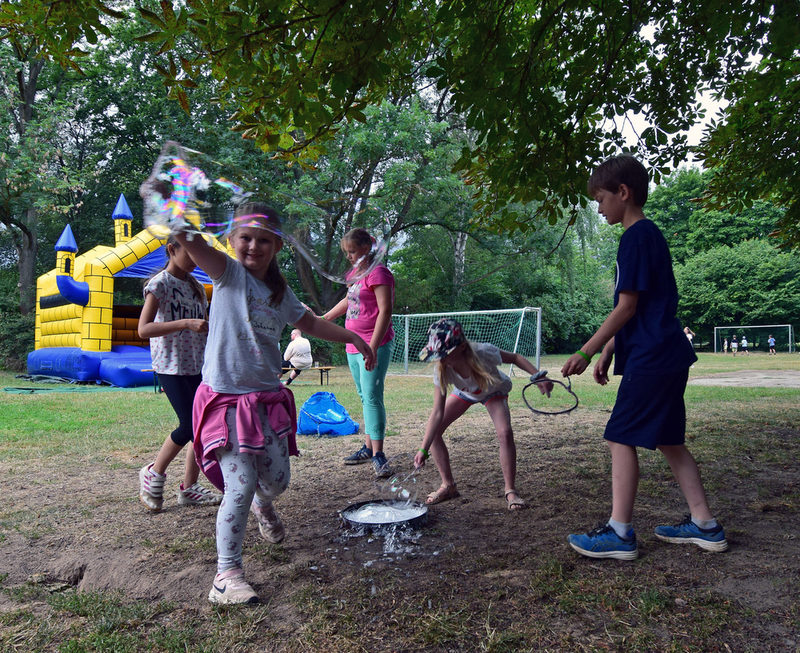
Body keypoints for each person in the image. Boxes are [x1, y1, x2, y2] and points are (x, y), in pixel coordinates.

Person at [174, 202, 376, 605]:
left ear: (277, 245)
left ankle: (264, 507)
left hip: (265, 403)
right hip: (225, 404)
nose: (253, 246)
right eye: (245, 237)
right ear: (231, 241)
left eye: (263, 239)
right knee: (241, 484)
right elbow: (190, 239)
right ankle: (226, 574)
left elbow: (313, 323)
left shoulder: (279, 294)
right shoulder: (227, 274)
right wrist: (173, 205)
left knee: (276, 482)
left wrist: (353, 337)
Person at [560, 154, 727, 560]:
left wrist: (589, 349)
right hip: (668, 354)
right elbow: (642, 306)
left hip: (654, 359)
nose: (598, 209)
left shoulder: (635, 238)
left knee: (620, 436)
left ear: (623, 192)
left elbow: (627, 307)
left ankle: (619, 532)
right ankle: (705, 525)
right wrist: (612, 350)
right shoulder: (650, 236)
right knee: (670, 440)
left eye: (600, 199)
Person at [413, 318, 552, 511]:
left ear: (461, 347)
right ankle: (448, 485)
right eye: (437, 355)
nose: (441, 359)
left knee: (505, 432)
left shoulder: (482, 352)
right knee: (434, 432)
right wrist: (423, 449)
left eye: (445, 354)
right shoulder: (442, 368)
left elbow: (515, 358)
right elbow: (437, 412)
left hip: (492, 390)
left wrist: (539, 376)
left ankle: (510, 490)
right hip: (465, 393)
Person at [137, 235, 221, 512]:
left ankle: (188, 488)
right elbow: (144, 329)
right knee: (188, 425)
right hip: (171, 366)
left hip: (198, 366)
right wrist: (185, 323)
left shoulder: (197, 287)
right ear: (171, 249)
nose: (196, 259)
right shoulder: (160, 283)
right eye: (191, 252)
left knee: (201, 428)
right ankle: (154, 472)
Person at [323, 228, 395, 479]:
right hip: (352, 345)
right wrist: (324, 318)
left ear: (366, 248)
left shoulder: (379, 272)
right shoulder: (356, 275)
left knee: (373, 396)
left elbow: (385, 311)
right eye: (347, 253)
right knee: (365, 397)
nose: (349, 257)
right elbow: (349, 301)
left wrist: (372, 348)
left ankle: (379, 455)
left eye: (352, 251)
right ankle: (368, 447)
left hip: (374, 344)